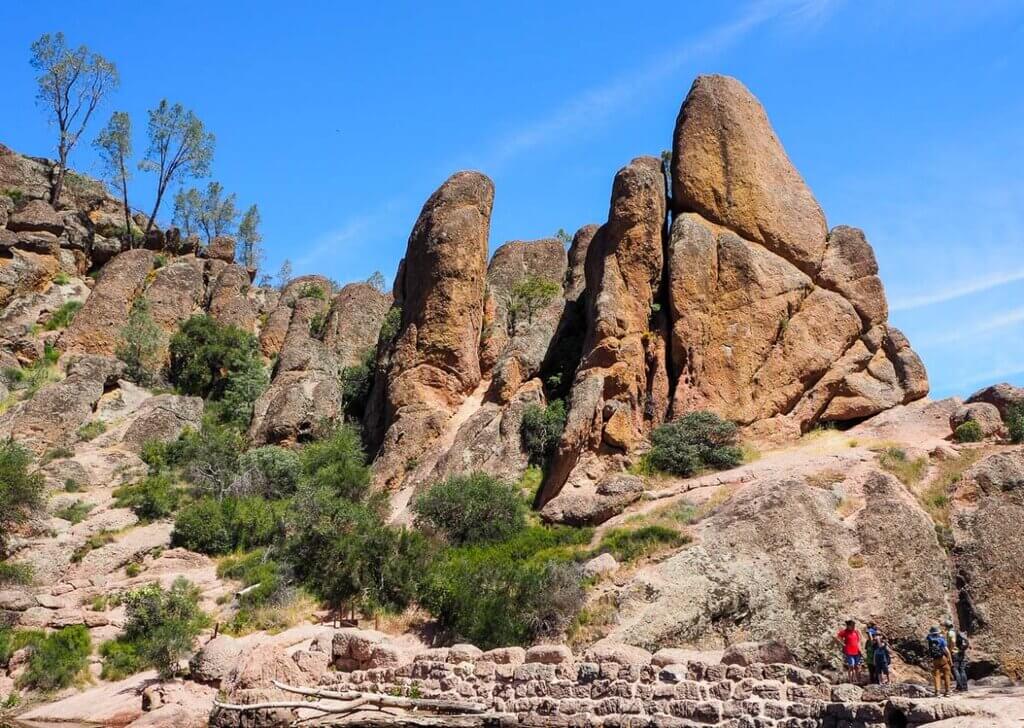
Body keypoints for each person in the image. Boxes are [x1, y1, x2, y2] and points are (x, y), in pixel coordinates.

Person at [926, 626, 953, 696]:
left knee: (936, 675)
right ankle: (947, 691)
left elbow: (928, 636)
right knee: (946, 674)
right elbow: (947, 651)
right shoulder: (941, 639)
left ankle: (937, 692)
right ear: (938, 632)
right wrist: (950, 660)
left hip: (935, 659)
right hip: (942, 658)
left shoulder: (929, 639)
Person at [946, 620, 970, 692]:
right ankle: (965, 687)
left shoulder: (950, 633)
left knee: (955, 669)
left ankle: (959, 687)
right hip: (961, 652)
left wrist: (950, 651)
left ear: (946, 626)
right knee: (962, 669)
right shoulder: (958, 632)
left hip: (955, 653)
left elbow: (953, 642)